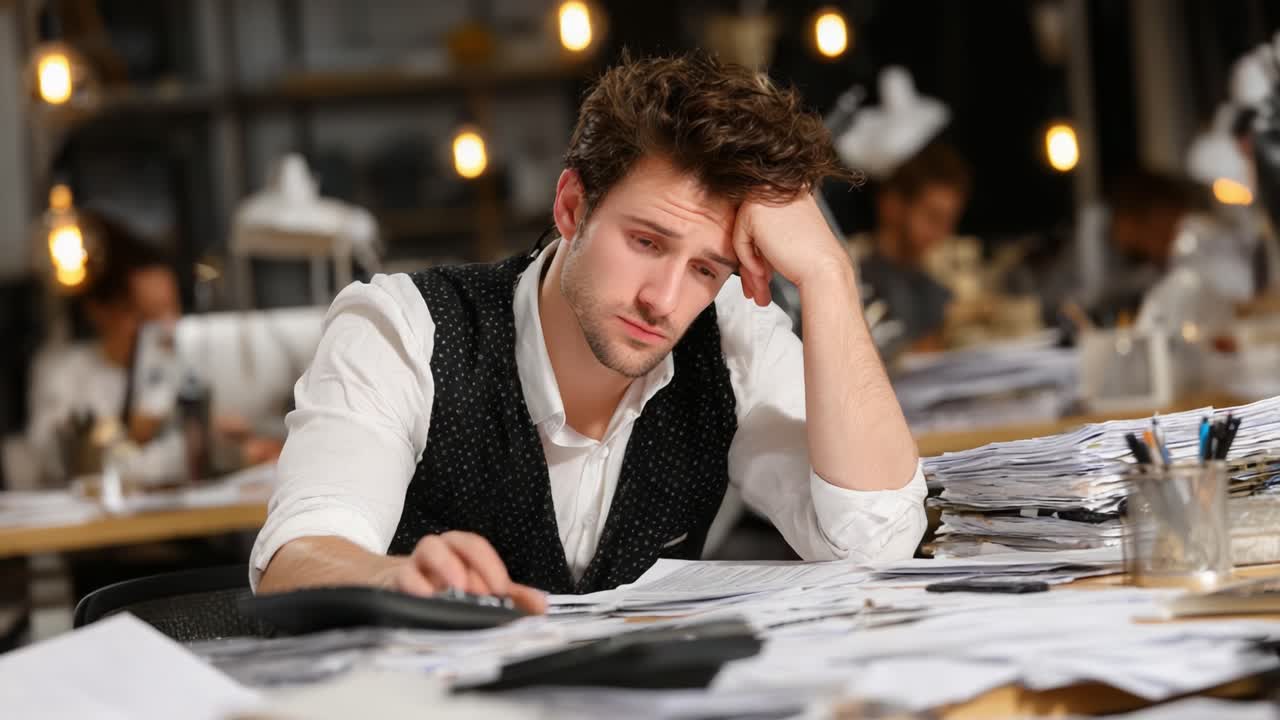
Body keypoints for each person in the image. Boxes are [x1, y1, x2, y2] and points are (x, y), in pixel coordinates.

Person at [252, 52, 928, 612]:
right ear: (572, 206)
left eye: (704, 268)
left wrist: (829, 276)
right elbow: (296, 555)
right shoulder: (403, 328)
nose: (662, 300)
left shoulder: (730, 339)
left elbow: (874, 542)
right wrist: (389, 578)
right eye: (645, 241)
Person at [27, 211, 182, 481]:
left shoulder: (187, 369)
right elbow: (56, 460)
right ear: (99, 310)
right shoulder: (64, 374)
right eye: (146, 315)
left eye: (172, 311)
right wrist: (135, 436)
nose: (167, 329)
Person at [854, 142, 972, 351]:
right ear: (892, 205)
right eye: (933, 217)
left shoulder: (937, 284)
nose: (943, 233)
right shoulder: (852, 276)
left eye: (950, 221)